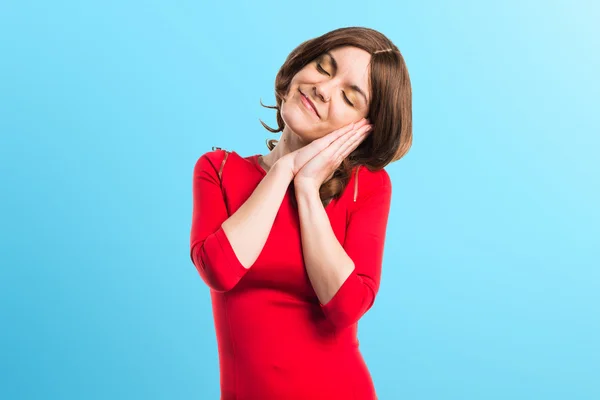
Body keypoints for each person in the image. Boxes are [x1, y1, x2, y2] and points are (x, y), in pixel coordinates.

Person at [189, 26, 412, 400]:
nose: (323, 89)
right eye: (323, 68)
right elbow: (220, 270)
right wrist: (282, 171)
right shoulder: (218, 169)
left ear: (362, 130)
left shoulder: (367, 187)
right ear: (298, 67)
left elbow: (346, 305)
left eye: (349, 97)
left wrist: (307, 187)